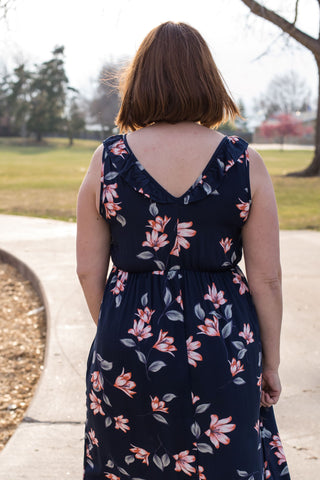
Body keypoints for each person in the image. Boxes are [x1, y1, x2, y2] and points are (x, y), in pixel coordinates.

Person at [76, 21, 291, 480]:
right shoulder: (242, 161)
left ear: (140, 82)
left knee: (130, 465)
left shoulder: (108, 160)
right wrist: (269, 362)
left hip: (128, 341)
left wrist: (123, 328)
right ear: (207, 80)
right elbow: (267, 279)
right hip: (224, 342)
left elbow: (86, 271)